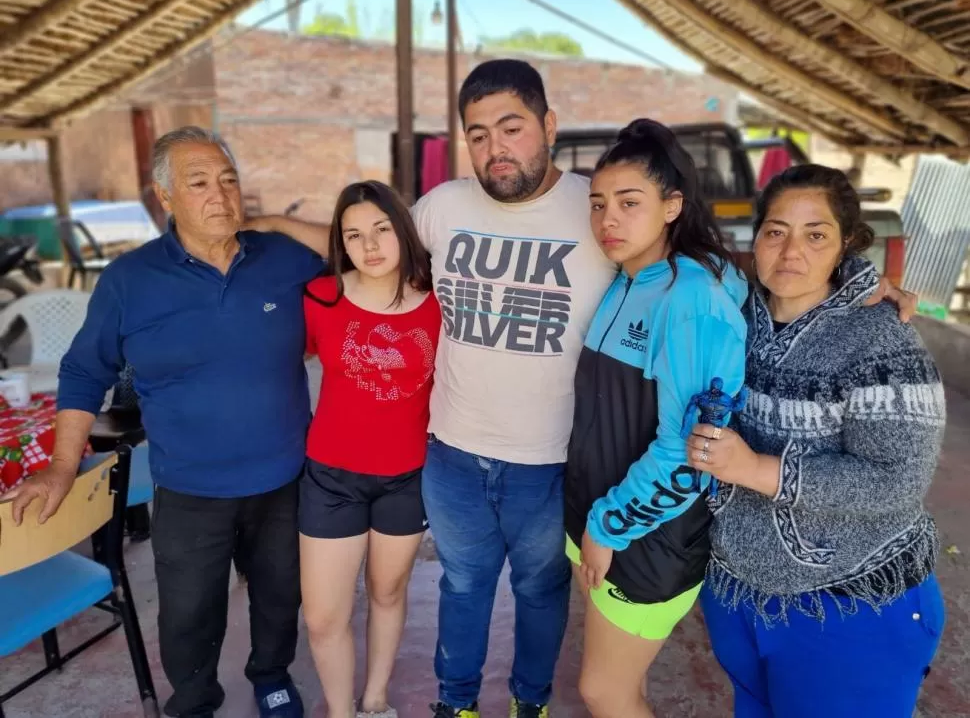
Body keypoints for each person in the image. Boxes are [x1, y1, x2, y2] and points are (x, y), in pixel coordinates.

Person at [248, 60, 919, 718]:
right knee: (465, 586)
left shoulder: (615, 223)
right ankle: (456, 703)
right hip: (466, 456)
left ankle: (529, 701)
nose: (495, 147)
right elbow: (375, 249)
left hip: (563, 471)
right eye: (477, 134)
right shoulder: (451, 207)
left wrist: (850, 284)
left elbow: (719, 270)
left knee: (548, 602)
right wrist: (275, 224)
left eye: (510, 127)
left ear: (548, 124)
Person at [4, 126, 323, 718]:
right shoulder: (131, 280)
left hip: (284, 478)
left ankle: (271, 674)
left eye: (229, 180)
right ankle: (196, 700)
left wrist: (275, 221)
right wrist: (59, 466)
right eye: (199, 183)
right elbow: (81, 371)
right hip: (189, 486)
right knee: (187, 611)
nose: (220, 195)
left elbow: (359, 244)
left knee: (280, 594)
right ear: (165, 197)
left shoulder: (281, 258)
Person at [687, 164, 946, 718]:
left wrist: (758, 468)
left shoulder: (880, 338)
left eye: (816, 235)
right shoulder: (733, 317)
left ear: (845, 244)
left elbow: (896, 479)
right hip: (737, 594)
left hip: (852, 606)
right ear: (755, 238)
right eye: (776, 231)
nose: (791, 252)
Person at [563, 118, 747, 718]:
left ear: (672, 207)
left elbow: (689, 452)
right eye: (598, 204)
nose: (607, 219)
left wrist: (606, 527)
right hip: (606, 521)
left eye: (628, 203)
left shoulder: (692, 301)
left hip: (648, 536)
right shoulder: (627, 280)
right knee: (620, 684)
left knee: (603, 692)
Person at [299, 181, 439, 718]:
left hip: (407, 475)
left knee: (386, 592)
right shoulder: (319, 298)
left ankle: (375, 700)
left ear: (402, 230)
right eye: (354, 235)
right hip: (331, 474)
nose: (371, 245)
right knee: (323, 616)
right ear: (341, 243)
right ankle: (340, 710)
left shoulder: (440, 303)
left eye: (381, 229)